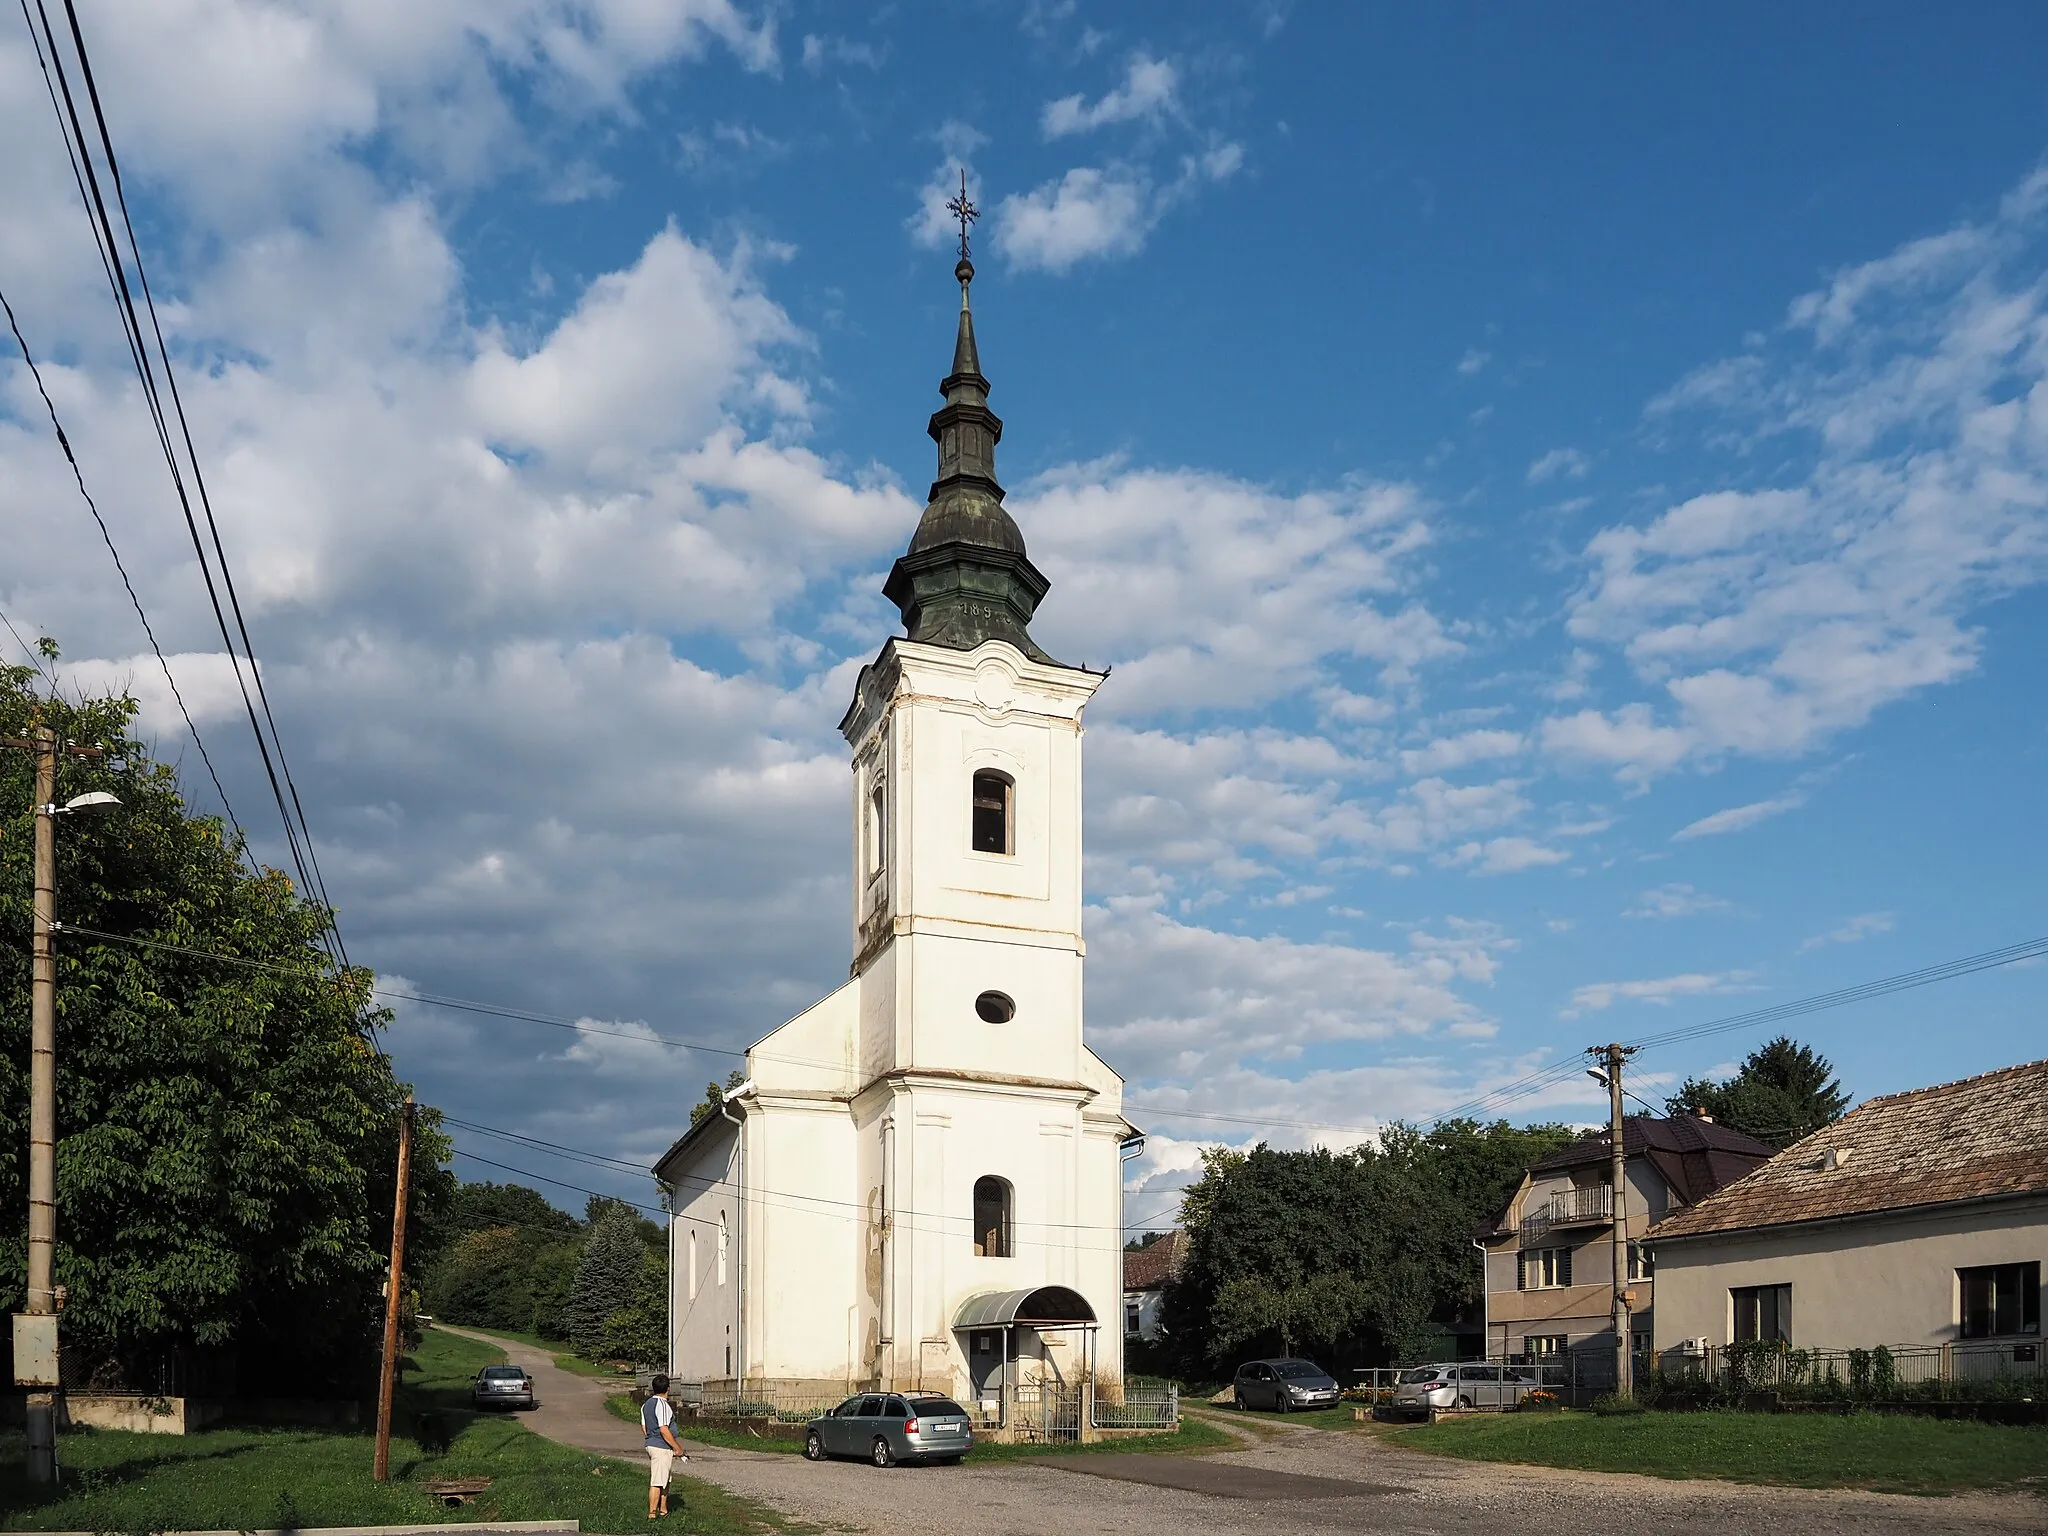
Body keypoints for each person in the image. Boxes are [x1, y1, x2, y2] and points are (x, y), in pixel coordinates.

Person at [642, 1374, 686, 1519]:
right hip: (661, 1446)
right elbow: (664, 1429)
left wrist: (650, 1439)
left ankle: (663, 1509)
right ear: (669, 1389)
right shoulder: (662, 1405)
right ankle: (652, 1514)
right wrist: (677, 1447)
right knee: (657, 1480)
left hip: (652, 1444)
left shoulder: (646, 1405)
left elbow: (644, 1427)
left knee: (665, 1478)